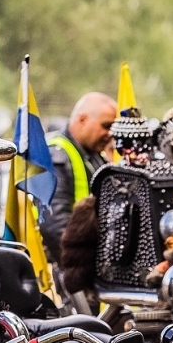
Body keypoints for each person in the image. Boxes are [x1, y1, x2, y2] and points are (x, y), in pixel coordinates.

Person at [39, 91, 117, 271]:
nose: (109, 134)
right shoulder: (55, 154)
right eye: (106, 126)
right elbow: (54, 223)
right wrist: (80, 268)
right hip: (67, 267)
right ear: (82, 120)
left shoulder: (95, 155)